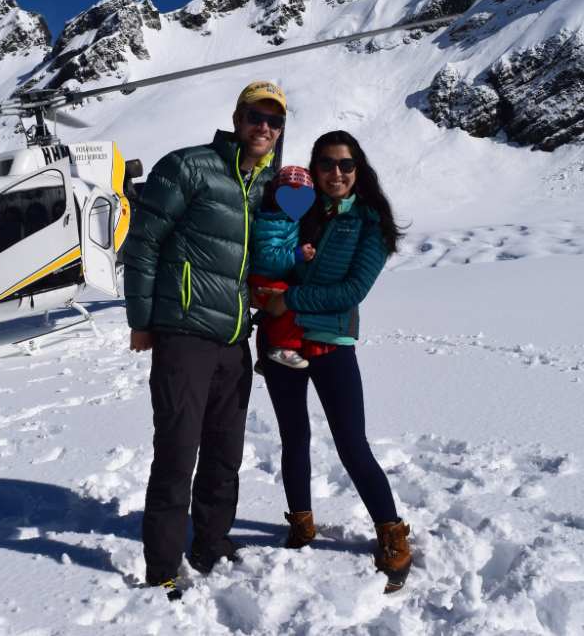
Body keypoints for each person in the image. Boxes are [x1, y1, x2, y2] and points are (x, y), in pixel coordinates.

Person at [122, 80, 283, 599]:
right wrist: (142, 320)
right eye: (255, 116)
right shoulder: (188, 166)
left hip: (235, 337)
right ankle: (162, 563)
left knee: (224, 452)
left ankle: (211, 541)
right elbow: (142, 245)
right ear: (236, 118)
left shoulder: (270, 185)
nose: (263, 126)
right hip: (184, 333)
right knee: (176, 451)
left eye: (273, 119)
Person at [254, 129, 413, 594]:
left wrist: (289, 302)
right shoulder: (299, 210)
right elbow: (271, 255)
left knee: (351, 443)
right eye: (326, 164)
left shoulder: (369, 222)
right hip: (280, 341)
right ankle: (301, 523)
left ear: (358, 169)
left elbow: (351, 291)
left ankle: (391, 532)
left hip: (329, 343)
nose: (335, 173)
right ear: (315, 168)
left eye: (345, 164)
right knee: (293, 437)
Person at [248, 165, 317, 370]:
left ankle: (265, 358)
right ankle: (284, 348)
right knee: (289, 302)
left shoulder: (288, 219)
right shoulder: (269, 221)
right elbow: (267, 256)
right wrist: (297, 255)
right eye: (288, 193)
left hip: (274, 277)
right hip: (263, 278)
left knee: (272, 316)